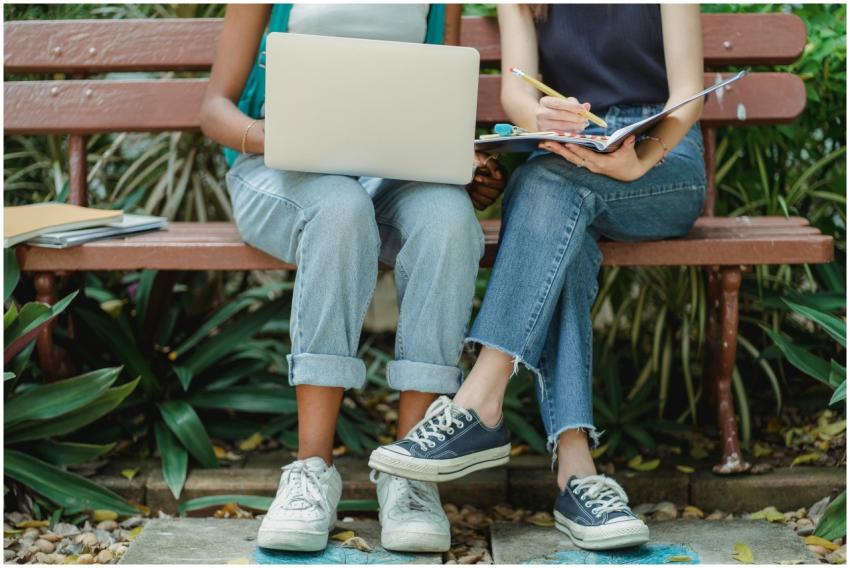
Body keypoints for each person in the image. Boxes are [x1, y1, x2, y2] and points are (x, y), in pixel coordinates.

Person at [370, 4, 707, 551]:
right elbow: (517, 93)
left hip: (662, 158)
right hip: (572, 149)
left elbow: (688, 93)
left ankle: (480, 399)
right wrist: (541, 116)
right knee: (557, 213)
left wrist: (638, 160)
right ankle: (578, 475)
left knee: (545, 188)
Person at [199, 3, 506, 553]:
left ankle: (412, 474)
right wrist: (275, 135)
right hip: (279, 171)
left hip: (393, 172)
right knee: (339, 210)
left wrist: (465, 166)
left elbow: (440, 107)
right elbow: (214, 111)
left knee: (450, 222)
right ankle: (310, 471)